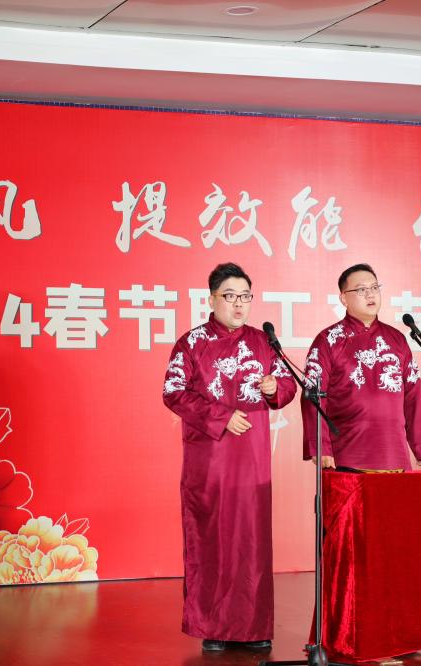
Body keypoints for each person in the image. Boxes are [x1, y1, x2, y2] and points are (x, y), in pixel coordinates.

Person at [162, 262, 297, 653]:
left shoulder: (263, 342)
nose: (239, 304)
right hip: (210, 460)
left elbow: (288, 386)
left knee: (252, 541)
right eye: (230, 296)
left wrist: (274, 387)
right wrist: (221, 417)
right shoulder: (191, 343)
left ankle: (254, 626)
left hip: (252, 458)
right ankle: (214, 626)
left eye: (245, 297)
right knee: (212, 539)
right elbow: (173, 392)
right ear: (212, 299)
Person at [302, 263, 421, 472]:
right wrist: (320, 446)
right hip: (347, 456)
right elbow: (312, 396)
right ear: (343, 298)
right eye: (361, 290)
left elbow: (413, 393)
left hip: (394, 454)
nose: (370, 294)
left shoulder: (396, 339)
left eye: (374, 288)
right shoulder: (328, 340)